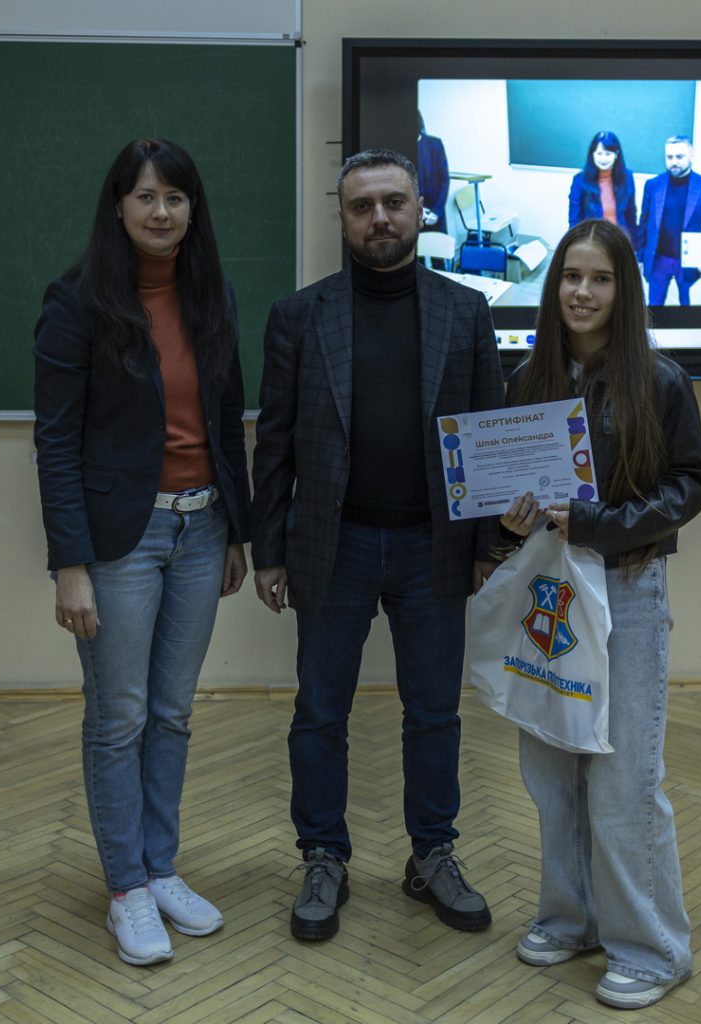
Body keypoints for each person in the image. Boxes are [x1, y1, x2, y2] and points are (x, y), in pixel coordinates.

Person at [251, 148, 503, 942]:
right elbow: (275, 442)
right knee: (319, 712)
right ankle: (322, 855)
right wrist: (268, 549)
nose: (380, 218)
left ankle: (431, 854)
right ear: (342, 216)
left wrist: (487, 546)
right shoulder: (299, 316)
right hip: (334, 545)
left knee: (433, 713)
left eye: (393, 201)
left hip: (435, 547)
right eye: (362, 206)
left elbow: (486, 435)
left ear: (420, 207)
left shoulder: (466, 311)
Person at [34, 138, 251, 966]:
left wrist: (237, 530)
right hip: (120, 542)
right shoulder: (77, 301)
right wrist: (71, 566)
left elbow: (225, 422)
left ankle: (161, 869)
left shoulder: (211, 295)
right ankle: (125, 888)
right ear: (118, 205)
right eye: (145, 197)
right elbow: (55, 444)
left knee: (171, 713)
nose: (161, 212)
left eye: (175, 198)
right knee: (119, 716)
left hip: (202, 530)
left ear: (193, 209)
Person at [501, 219, 701, 1010]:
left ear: (623, 290)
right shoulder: (526, 380)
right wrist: (510, 520)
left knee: (623, 781)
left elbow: (691, 486)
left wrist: (595, 523)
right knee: (551, 769)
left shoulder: (659, 379)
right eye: (569, 277)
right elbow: (506, 492)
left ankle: (653, 951)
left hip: (625, 588)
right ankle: (572, 919)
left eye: (599, 279)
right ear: (551, 286)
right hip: (548, 593)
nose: (582, 293)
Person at [637, 135, 701, 305]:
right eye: (669, 157)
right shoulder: (653, 185)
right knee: (654, 310)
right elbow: (643, 223)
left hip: (691, 263)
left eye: (679, 156)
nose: (674, 162)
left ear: (691, 155)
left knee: (690, 313)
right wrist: (640, 258)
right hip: (659, 259)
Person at [568, 130, 637, 241]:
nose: (603, 159)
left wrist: (634, 244)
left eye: (608, 154)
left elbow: (631, 216)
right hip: (592, 241)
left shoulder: (627, 177)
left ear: (616, 154)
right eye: (599, 154)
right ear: (592, 154)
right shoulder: (580, 180)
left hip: (620, 240)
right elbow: (574, 221)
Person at [417, 111, 450, 232]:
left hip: (435, 213)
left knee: (438, 243)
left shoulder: (435, 144)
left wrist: (437, 211)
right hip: (412, 216)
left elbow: (444, 180)